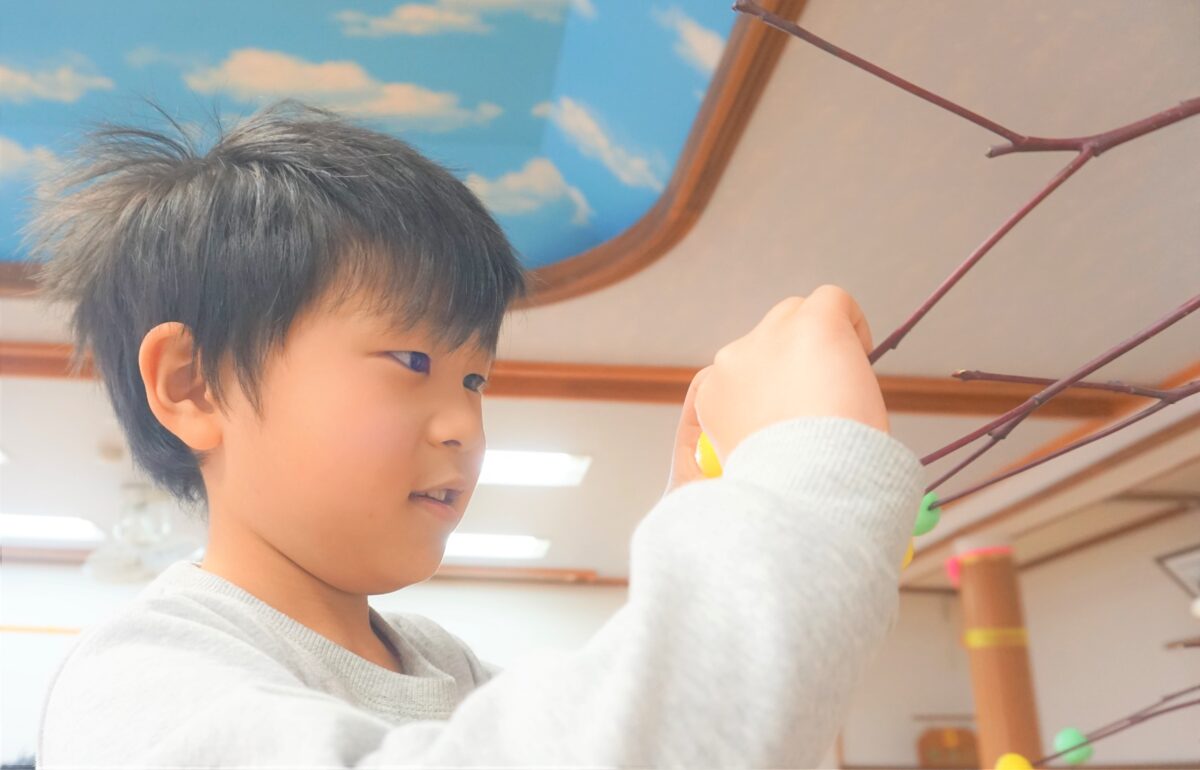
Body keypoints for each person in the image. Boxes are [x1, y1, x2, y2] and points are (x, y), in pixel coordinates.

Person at [29, 100, 922, 768]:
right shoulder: (137, 681)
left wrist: (713, 513)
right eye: (410, 361)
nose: (464, 424)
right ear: (193, 384)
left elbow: (631, 732)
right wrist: (805, 478)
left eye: (474, 380)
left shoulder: (439, 662)